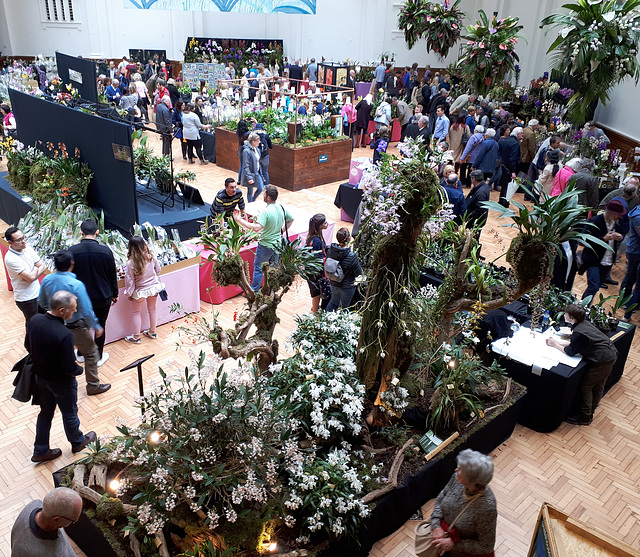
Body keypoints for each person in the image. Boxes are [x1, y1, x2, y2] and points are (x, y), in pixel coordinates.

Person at [26, 290, 97, 462]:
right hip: (61, 382)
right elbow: (69, 367)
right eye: (72, 310)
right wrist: (79, 371)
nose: (74, 312)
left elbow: (27, 344)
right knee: (70, 412)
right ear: (62, 311)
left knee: (45, 413)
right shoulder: (64, 334)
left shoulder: (35, 320)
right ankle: (78, 441)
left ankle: (40, 450)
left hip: (40, 377)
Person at [38, 251, 110, 396]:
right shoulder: (76, 285)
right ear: (72, 264)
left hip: (55, 325)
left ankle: (59, 385)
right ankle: (92, 386)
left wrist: (53, 311)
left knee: (59, 355)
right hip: (76, 326)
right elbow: (86, 309)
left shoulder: (47, 280)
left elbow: (41, 300)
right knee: (90, 354)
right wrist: (96, 326)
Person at [546, 304, 618, 425]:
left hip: (602, 360)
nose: (564, 315)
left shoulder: (579, 332)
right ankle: (592, 409)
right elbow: (576, 344)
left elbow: (570, 352)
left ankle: (585, 416)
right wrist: (558, 341)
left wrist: (554, 345)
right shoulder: (584, 324)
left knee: (587, 386)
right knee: (599, 384)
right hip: (610, 355)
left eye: (566, 314)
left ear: (572, 318)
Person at [428, 449, 497, 556]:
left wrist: (454, 545)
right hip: (440, 539)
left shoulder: (487, 508)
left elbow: (486, 546)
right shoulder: (456, 478)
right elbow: (441, 497)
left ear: (473, 480)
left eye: (461, 470)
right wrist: (436, 525)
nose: (456, 470)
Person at [68, 220, 118, 367]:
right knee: (100, 325)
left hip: (80, 298)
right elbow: (111, 275)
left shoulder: (72, 251)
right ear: (97, 232)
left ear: (81, 233)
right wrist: (115, 293)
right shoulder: (106, 251)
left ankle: (82, 353)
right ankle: (98, 356)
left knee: (82, 326)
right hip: (103, 296)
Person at [233, 185, 294, 292]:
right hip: (277, 245)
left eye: (264, 194)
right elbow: (291, 220)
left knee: (258, 269)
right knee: (274, 269)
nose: (263, 195)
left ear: (269, 197)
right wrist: (281, 231)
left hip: (265, 245)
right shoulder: (281, 208)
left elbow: (257, 228)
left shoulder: (266, 212)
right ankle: (272, 290)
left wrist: (239, 220)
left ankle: (254, 292)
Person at [11, 487, 83, 556]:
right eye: (73, 520)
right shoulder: (55, 553)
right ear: (56, 519)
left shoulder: (34, 504)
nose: (74, 522)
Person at [578, 199, 626, 301]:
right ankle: (582, 308)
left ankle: (584, 307)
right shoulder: (594, 221)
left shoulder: (617, 223)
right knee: (593, 286)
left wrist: (619, 237)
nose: (620, 217)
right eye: (618, 214)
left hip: (608, 261)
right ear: (611, 213)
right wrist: (603, 239)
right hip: (593, 260)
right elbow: (584, 239)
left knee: (597, 286)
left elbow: (621, 234)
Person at [123, 236, 164, 343]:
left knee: (136, 312)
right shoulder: (150, 256)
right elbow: (158, 270)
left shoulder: (131, 263)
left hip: (140, 291)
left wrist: (128, 293)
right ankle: (153, 332)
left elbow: (129, 281)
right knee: (153, 310)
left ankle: (136, 337)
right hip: (153, 287)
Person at [4, 226, 46, 324]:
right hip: (26, 298)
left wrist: (34, 272)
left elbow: (42, 266)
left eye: (23, 238)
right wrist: (36, 268)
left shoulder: (28, 248)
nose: (23, 242)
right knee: (32, 324)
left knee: (44, 321)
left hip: (38, 292)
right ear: (10, 242)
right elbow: (30, 278)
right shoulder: (10, 258)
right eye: (19, 240)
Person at [326, 227, 362, 311]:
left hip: (333, 282)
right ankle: (339, 323)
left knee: (333, 302)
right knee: (343, 308)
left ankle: (326, 320)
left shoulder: (330, 250)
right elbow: (359, 273)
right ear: (349, 239)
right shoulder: (351, 256)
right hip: (347, 287)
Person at [305, 213, 328, 313]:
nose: (327, 224)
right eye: (325, 223)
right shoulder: (316, 241)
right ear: (320, 226)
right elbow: (315, 257)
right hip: (314, 271)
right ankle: (314, 312)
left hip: (313, 269)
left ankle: (314, 308)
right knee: (316, 293)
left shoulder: (313, 237)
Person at [466, 170, 491, 239]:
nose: (471, 180)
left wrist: (469, 216)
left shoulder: (481, 192)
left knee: (473, 239)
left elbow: (480, 209)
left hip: (475, 220)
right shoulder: (482, 186)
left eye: (471, 178)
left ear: (474, 179)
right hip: (476, 219)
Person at [241, 132, 265, 202]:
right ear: (253, 142)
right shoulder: (246, 151)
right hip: (251, 173)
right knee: (250, 191)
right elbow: (246, 165)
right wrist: (249, 177)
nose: (259, 142)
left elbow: (258, 162)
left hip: (257, 172)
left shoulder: (257, 149)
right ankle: (250, 203)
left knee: (261, 188)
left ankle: (253, 201)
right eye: (257, 141)